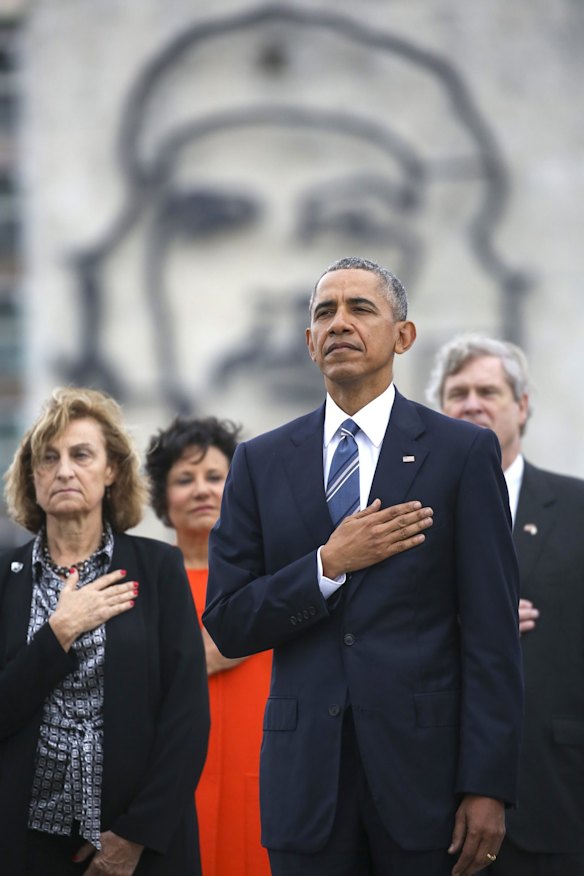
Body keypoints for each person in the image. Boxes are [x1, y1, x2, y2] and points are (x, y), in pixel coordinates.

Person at [203, 256, 523, 876]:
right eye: (325, 312)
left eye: (360, 309)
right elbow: (228, 622)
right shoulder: (260, 462)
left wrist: (488, 784)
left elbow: (491, 633)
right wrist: (326, 564)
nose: (340, 323)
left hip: (425, 784)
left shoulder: (460, 453)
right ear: (308, 342)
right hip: (305, 787)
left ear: (403, 335)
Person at [0, 387, 209, 876]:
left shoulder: (158, 568)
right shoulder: (5, 578)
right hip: (24, 846)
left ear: (111, 470)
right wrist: (58, 633)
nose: (64, 470)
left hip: (138, 847)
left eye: (81, 454)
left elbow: (187, 719)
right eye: (48, 458)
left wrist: (136, 835)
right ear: (33, 476)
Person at [427, 334, 584, 876]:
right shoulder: (404, 514)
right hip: (429, 798)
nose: (472, 402)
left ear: (522, 406)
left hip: (554, 790)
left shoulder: (577, 507)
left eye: (488, 390)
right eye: (457, 392)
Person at [145, 416, 272, 876]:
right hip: (172, 791)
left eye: (215, 477)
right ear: (163, 499)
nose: (201, 489)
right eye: (184, 479)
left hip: (262, 791)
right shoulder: (139, 588)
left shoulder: (275, 586)